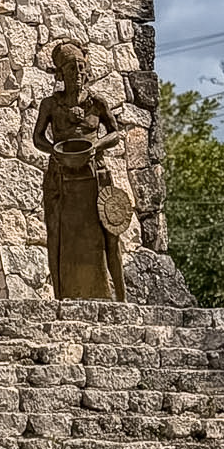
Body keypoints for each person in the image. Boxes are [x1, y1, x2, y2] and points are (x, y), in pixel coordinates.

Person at [31, 40, 133, 301]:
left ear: (86, 72)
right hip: (61, 176)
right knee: (57, 232)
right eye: (71, 69)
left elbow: (116, 133)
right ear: (61, 75)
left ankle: (120, 297)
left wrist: (96, 145)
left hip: (94, 173)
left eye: (81, 68)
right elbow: (38, 138)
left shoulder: (96, 103)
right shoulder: (51, 105)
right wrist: (55, 149)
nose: (77, 74)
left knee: (109, 233)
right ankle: (62, 295)